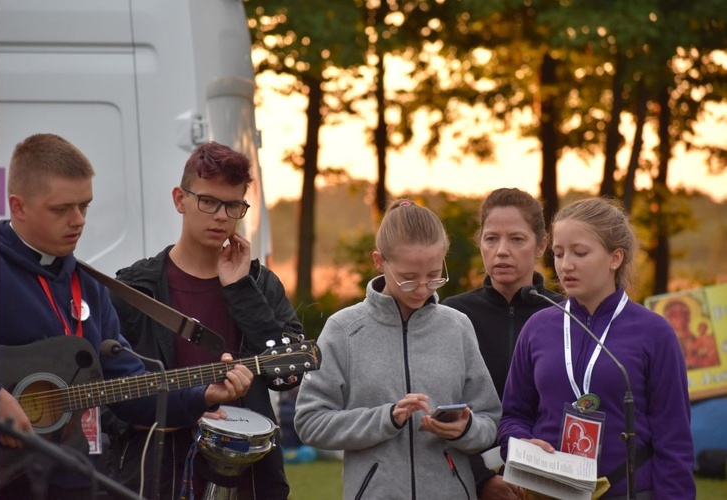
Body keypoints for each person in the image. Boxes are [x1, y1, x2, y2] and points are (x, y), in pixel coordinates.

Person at [0, 133, 253, 499]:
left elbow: (130, 390)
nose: (78, 220)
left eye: (85, 206)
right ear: (18, 206)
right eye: (61, 209)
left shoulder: (90, 287)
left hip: (72, 482)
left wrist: (202, 395)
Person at [110, 142, 305, 499]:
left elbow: (289, 373)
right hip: (158, 475)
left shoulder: (260, 285)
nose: (221, 216)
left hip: (249, 479)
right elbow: (107, 394)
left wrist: (241, 291)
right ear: (179, 199)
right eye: (208, 202)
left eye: (233, 205)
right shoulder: (136, 289)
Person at [294, 199, 502, 499]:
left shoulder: (458, 327)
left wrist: (467, 430)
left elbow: (489, 419)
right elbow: (309, 422)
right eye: (408, 278)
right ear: (379, 261)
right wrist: (386, 418)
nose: (421, 288)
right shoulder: (343, 330)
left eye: (433, 276)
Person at [498, 197, 695, 499]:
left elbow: (674, 440)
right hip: (545, 492)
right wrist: (520, 442)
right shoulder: (538, 327)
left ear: (615, 258)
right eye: (559, 254)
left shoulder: (654, 333)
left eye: (580, 253)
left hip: (626, 491)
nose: (566, 265)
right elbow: (513, 415)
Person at [442, 188, 563, 499]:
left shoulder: (566, 315)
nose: (502, 251)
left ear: (542, 245)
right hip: (468, 480)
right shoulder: (452, 315)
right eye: (491, 238)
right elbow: (438, 407)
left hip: (552, 476)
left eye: (517, 239)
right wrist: (482, 479)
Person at [663, 299, 719, 369]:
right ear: (666, 318)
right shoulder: (664, 347)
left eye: (682, 313)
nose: (678, 317)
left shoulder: (705, 340)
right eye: (673, 314)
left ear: (689, 316)